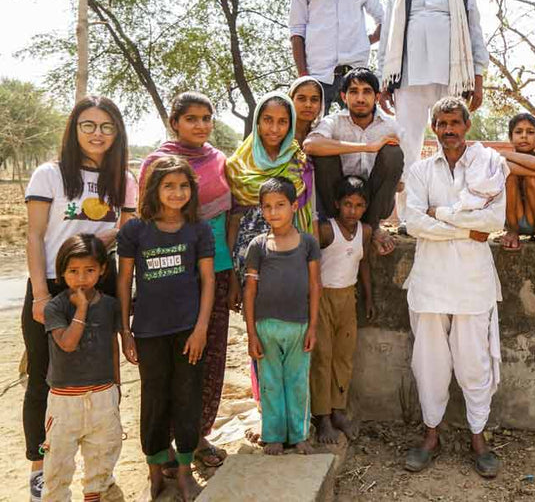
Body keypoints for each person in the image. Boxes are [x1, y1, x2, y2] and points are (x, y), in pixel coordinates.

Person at [23, 96, 137, 502]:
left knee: (103, 379)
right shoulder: (49, 174)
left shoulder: (125, 180)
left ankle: (100, 474)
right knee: (43, 379)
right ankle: (41, 473)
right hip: (53, 287)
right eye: (88, 125)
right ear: (74, 129)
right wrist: (40, 294)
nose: (97, 134)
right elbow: (36, 236)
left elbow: (125, 236)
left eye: (107, 126)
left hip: (101, 288)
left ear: (117, 133)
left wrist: (96, 245)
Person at [402, 97, 506, 479]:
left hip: (472, 283)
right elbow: (412, 221)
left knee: (474, 362)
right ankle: (431, 436)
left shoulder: (489, 166)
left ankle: (479, 438)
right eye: (442, 123)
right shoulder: (419, 171)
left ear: (467, 125)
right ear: (434, 127)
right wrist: (467, 229)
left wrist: (440, 215)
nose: (449, 130)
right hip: (430, 281)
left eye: (455, 123)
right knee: (429, 363)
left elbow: (494, 218)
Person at [139, 92, 236, 469]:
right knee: (171, 360)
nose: (200, 125)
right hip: (172, 270)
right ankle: (163, 447)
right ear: (174, 122)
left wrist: (232, 266)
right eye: (191, 118)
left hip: (218, 267)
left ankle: (197, 436)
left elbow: (232, 215)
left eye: (206, 118)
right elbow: (146, 220)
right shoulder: (156, 163)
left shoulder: (219, 160)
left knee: (210, 354)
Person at [117, 156, 215, 501]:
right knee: (154, 400)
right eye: (169, 185)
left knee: (188, 398)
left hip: (189, 331)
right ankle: (155, 470)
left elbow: (207, 280)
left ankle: (186, 470)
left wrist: (202, 327)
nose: (177, 192)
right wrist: (125, 332)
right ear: (153, 189)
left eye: (184, 185)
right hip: (148, 332)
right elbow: (125, 279)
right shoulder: (135, 230)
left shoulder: (199, 230)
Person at [376, 0, 488, 225]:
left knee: (450, 144)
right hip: (409, 79)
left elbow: (475, 34)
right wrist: (382, 82)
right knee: (406, 146)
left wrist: (477, 80)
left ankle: (450, 211)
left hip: (450, 78)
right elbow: (387, 38)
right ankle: (407, 215)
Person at [243, 177, 321, 455]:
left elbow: (314, 286)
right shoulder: (258, 246)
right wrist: (251, 332)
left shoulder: (308, 244)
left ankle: (299, 435)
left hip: (299, 325)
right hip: (265, 327)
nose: (273, 212)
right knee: (271, 381)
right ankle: (274, 435)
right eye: (267, 207)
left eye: (280, 205)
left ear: (294, 205)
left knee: (298, 381)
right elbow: (250, 291)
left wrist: (313, 326)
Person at [41, 235, 122, 502]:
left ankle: (93, 496)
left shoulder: (110, 305)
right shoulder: (56, 307)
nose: (81, 278)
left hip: (102, 395)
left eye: (89, 270)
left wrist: (116, 387)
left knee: (101, 457)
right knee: (58, 466)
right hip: (65, 401)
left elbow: (112, 345)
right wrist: (82, 310)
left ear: (102, 270)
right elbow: (67, 343)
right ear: (62, 273)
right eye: (73, 272)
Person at [303, 67, 403, 255]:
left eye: (366, 92)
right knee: (324, 153)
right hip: (337, 201)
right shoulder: (333, 121)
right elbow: (310, 145)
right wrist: (367, 147)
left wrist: (385, 179)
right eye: (353, 92)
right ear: (343, 96)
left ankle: (372, 228)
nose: (360, 99)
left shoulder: (392, 126)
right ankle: (337, 226)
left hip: (374, 204)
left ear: (377, 96)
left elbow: (400, 183)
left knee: (392, 152)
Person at [311, 176, 375, 444]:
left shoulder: (366, 232)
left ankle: (338, 410)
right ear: (337, 204)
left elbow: (364, 264)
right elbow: (311, 264)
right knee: (322, 356)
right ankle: (322, 417)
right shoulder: (326, 230)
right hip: (323, 297)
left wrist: (369, 298)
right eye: (347, 204)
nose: (352, 211)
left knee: (344, 356)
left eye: (359, 205)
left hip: (348, 297)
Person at [226, 93, 317, 279]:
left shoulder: (298, 162)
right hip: (250, 258)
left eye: (282, 121)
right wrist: (233, 275)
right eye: (268, 120)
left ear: (290, 125)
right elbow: (234, 219)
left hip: (292, 251)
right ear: (257, 122)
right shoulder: (237, 165)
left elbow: (310, 211)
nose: (275, 129)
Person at [498, 113, 535, 253]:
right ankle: (512, 231)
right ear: (510, 138)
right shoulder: (504, 159)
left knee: (533, 179)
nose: (524, 136)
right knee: (509, 176)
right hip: (512, 218)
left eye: (530, 132)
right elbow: (507, 167)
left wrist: (503, 154)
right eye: (518, 132)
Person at [288, 77, 326, 147]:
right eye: (301, 99)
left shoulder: (322, 134)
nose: (308, 105)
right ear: (291, 100)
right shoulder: (278, 133)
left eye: (314, 100)